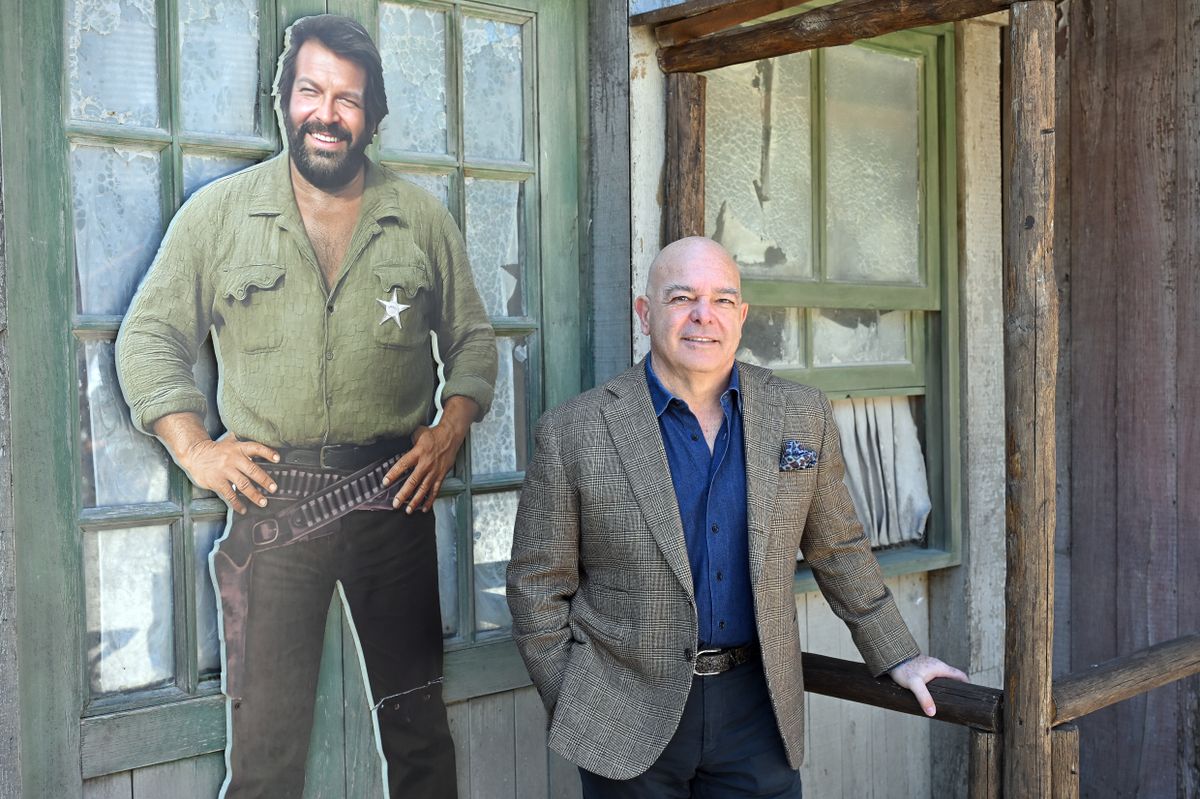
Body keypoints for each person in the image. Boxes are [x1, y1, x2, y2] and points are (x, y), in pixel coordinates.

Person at [116, 15, 496, 798]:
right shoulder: (219, 215)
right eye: (312, 91)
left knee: (422, 737)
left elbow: (474, 342)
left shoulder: (420, 218)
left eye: (348, 99)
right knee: (264, 757)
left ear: (373, 115)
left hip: (393, 492)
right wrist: (196, 450)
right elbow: (149, 337)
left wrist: (453, 423)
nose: (328, 113)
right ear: (283, 99)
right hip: (271, 501)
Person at [506, 236, 966, 797]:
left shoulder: (801, 414)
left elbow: (838, 548)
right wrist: (580, 699)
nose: (704, 316)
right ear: (645, 313)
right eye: (682, 298)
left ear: (742, 316)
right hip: (623, 713)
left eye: (722, 300)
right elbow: (536, 585)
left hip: (758, 710)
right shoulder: (574, 430)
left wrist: (901, 654)